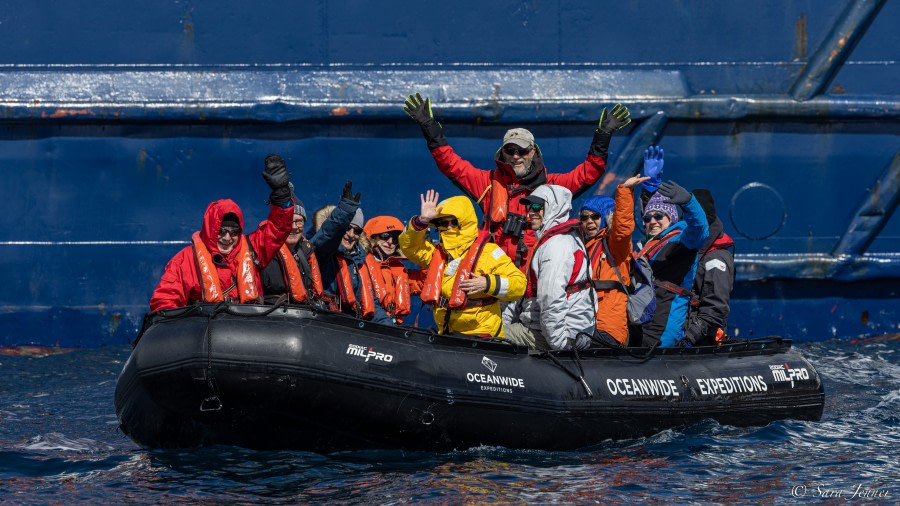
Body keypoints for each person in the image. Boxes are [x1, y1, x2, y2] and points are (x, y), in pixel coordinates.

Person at [403, 93, 631, 268]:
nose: (515, 156)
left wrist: (603, 136)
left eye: (521, 151)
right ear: (502, 153)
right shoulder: (488, 183)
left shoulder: (553, 186)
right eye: (510, 150)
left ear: (533, 152)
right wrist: (430, 128)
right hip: (495, 276)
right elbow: (450, 164)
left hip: (538, 276)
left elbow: (589, 172)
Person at [150, 154, 294, 311]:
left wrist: (282, 194)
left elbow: (278, 228)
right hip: (207, 331)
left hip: (249, 327)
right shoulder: (184, 261)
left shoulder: (254, 249)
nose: (227, 237)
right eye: (222, 231)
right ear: (211, 230)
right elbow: (164, 302)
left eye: (233, 232)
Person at [399, 190, 526, 336]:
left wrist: (487, 283)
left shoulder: (489, 252)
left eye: (453, 222)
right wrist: (421, 221)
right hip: (446, 333)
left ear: (464, 222)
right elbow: (410, 247)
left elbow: (519, 284)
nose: (448, 227)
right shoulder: (439, 253)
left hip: (482, 335)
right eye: (442, 223)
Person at [502, 185, 595, 351]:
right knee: (496, 327)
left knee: (491, 336)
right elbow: (524, 296)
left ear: (554, 208)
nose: (531, 212)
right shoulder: (555, 241)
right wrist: (504, 320)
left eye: (538, 207)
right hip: (551, 330)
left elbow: (551, 299)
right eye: (529, 207)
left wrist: (559, 345)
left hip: (561, 335)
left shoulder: (556, 245)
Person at [637, 169, 709, 348]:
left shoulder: (681, 240)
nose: (652, 221)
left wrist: (689, 202)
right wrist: (649, 185)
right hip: (642, 322)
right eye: (647, 218)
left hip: (663, 326)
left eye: (659, 216)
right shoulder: (646, 247)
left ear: (672, 218)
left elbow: (700, 230)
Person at [259, 182, 360, 305]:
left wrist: (345, 211)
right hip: (270, 318)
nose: (294, 227)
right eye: (288, 221)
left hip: (306, 318)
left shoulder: (307, 252)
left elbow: (328, 235)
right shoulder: (260, 250)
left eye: (299, 221)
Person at [580, 174, 649, 346]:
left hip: (607, 328)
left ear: (606, 217)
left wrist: (625, 191)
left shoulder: (615, 245)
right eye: (584, 217)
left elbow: (623, 228)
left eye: (595, 216)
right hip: (585, 325)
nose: (589, 221)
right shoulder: (581, 247)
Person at [680, 189, 735, 347]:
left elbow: (715, 309)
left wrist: (689, 338)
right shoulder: (690, 250)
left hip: (698, 340)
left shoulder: (715, 259)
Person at [361, 216, 426, 325]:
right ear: (372, 237)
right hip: (368, 325)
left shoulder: (400, 270)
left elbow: (426, 283)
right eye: (385, 236)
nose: (390, 242)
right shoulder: (361, 263)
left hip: (393, 328)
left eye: (395, 238)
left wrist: (421, 250)